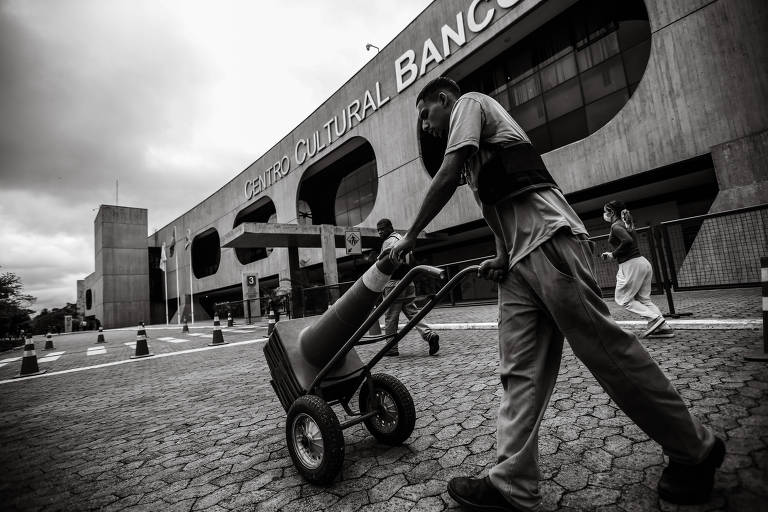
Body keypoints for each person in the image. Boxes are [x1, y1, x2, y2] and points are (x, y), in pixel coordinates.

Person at [391, 76, 723, 511]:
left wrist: (410, 236)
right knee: (519, 371)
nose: (426, 126)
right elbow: (497, 204)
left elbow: (449, 171)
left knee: (607, 352)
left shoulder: (470, 103)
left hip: (550, 242)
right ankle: (512, 483)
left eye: (425, 114)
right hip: (518, 263)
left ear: (443, 98)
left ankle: (695, 449)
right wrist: (500, 255)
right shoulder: (476, 156)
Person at [601, 200, 675, 338]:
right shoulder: (627, 224)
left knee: (623, 299)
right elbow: (629, 241)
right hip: (642, 263)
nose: (604, 214)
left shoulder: (616, 226)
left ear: (611, 212)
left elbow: (627, 241)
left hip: (630, 265)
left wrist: (612, 254)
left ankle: (656, 319)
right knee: (644, 299)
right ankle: (663, 328)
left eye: (606, 211)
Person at [377, 218, 440, 356]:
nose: (380, 232)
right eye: (378, 230)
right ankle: (429, 335)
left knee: (391, 317)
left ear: (390, 227)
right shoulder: (403, 238)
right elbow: (411, 260)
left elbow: (386, 264)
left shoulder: (388, 242)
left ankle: (391, 349)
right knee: (413, 312)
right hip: (407, 281)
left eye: (382, 229)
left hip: (394, 283)